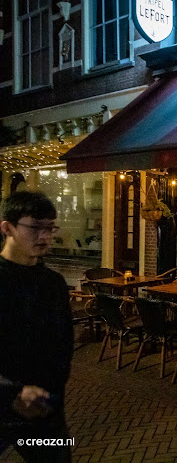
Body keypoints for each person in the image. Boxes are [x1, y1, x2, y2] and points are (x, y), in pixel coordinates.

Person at [0, 192, 73, 462]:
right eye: (35, 227)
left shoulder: (54, 284)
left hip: (43, 408)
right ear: (7, 228)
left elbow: (63, 345)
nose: (44, 236)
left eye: (50, 228)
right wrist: (11, 393)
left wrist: (51, 393)